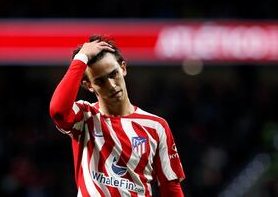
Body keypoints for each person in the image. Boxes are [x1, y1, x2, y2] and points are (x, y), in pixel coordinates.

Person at [49, 35, 185, 196]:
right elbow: (58, 111)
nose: (112, 85)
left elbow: (171, 188)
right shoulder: (85, 116)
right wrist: (81, 57)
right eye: (100, 81)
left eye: (113, 74)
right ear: (88, 86)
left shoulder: (156, 126)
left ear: (123, 68)